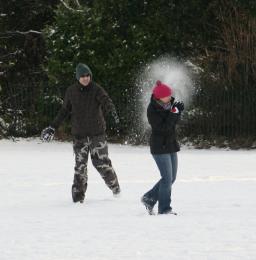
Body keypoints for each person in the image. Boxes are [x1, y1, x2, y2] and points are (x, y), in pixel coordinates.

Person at [41, 63, 121, 203]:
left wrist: (112, 111)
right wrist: (52, 127)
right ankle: (78, 198)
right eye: (82, 76)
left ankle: (115, 188)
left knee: (102, 164)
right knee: (80, 167)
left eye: (87, 75)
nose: (85, 78)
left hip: (97, 135)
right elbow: (64, 110)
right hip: (80, 136)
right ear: (78, 77)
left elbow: (106, 101)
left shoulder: (96, 89)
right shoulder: (71, 91)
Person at [141, 80, 184, 215]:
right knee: (166, 178)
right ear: (159, 97)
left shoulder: (168, 105)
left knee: (171, 178)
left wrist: (178, 112)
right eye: (167, 95)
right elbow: (163, 128)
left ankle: (149, 198)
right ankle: (164, 208)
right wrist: (174, 113)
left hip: (170, 144)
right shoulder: (152, 110)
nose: (170, 97)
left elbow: (173, 124)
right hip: (159, 147)